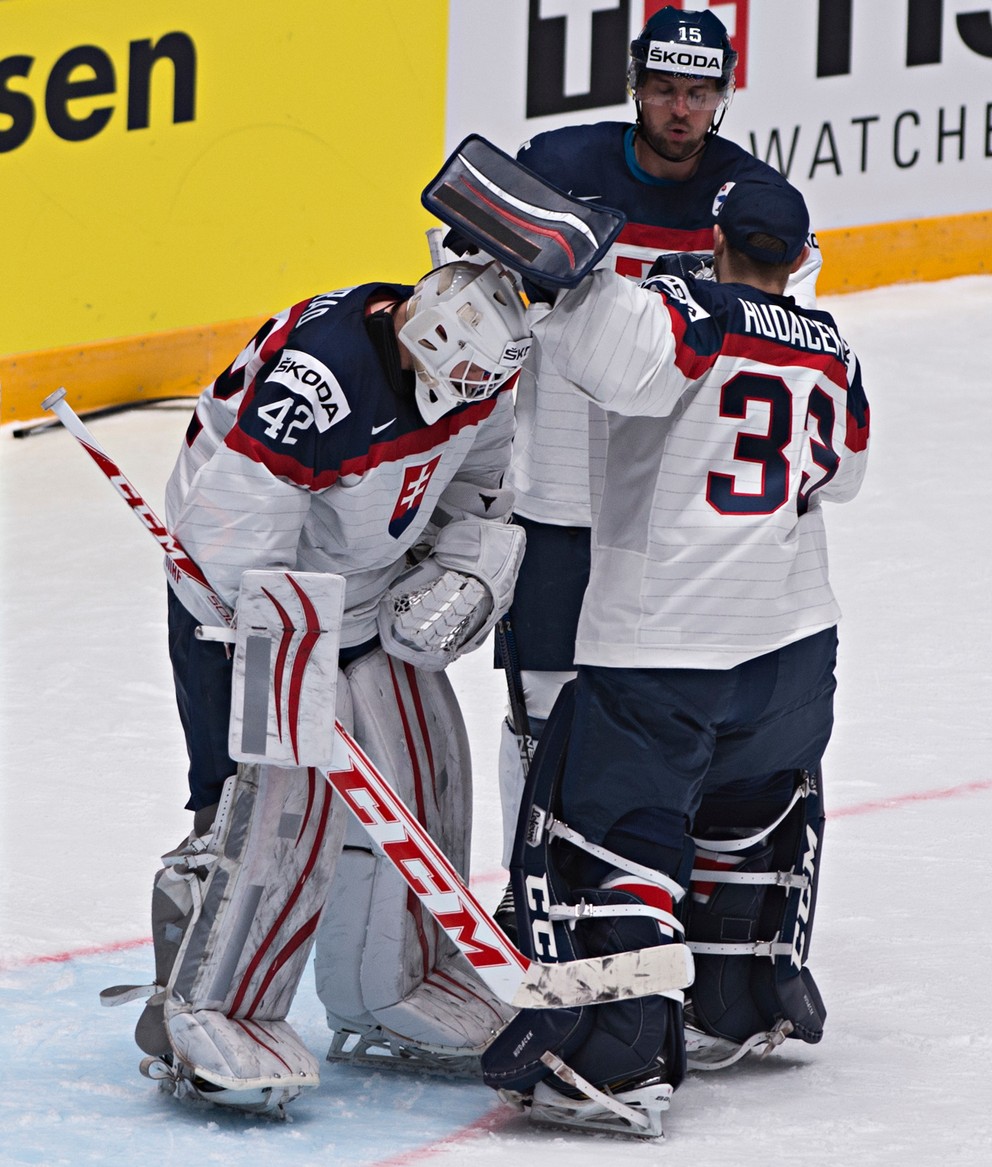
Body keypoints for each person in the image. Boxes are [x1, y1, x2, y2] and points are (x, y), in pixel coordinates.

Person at [480, 176, 870, 1138]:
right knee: (742, 830)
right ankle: (738, 1003)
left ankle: (604, 1062)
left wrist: (565, 274)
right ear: (801, 253)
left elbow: (595, 349)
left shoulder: (687, 310)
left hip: (668, 648)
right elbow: (850, 474)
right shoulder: (835, 349)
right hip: (793, 652)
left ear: (716, 238)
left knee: (606, 840)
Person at [115, 260, 532, 1112]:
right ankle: (202, 1007)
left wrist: (462, 564)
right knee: (271, 808)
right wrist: (289, 655)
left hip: (363, 586)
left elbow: (479, 487)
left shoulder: (473, 369)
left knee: (425, 777)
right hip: (247, 607)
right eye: (468, 379)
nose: (479, 395)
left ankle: (394, 983)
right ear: (430, 343)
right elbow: (233, 553)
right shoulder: (318, 387)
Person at [494, 5, 823, 920]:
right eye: (667, 88)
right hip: (557, 498)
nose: (682, 109)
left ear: (723, 96)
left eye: (701, 91)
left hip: (674, 522)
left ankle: (658, 909)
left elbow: (789, 348)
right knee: (544, 715)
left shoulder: (751, 200)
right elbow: (475, 291)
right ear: (636, 85)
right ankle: (540, 906)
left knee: (674, 723)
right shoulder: (557, 166)